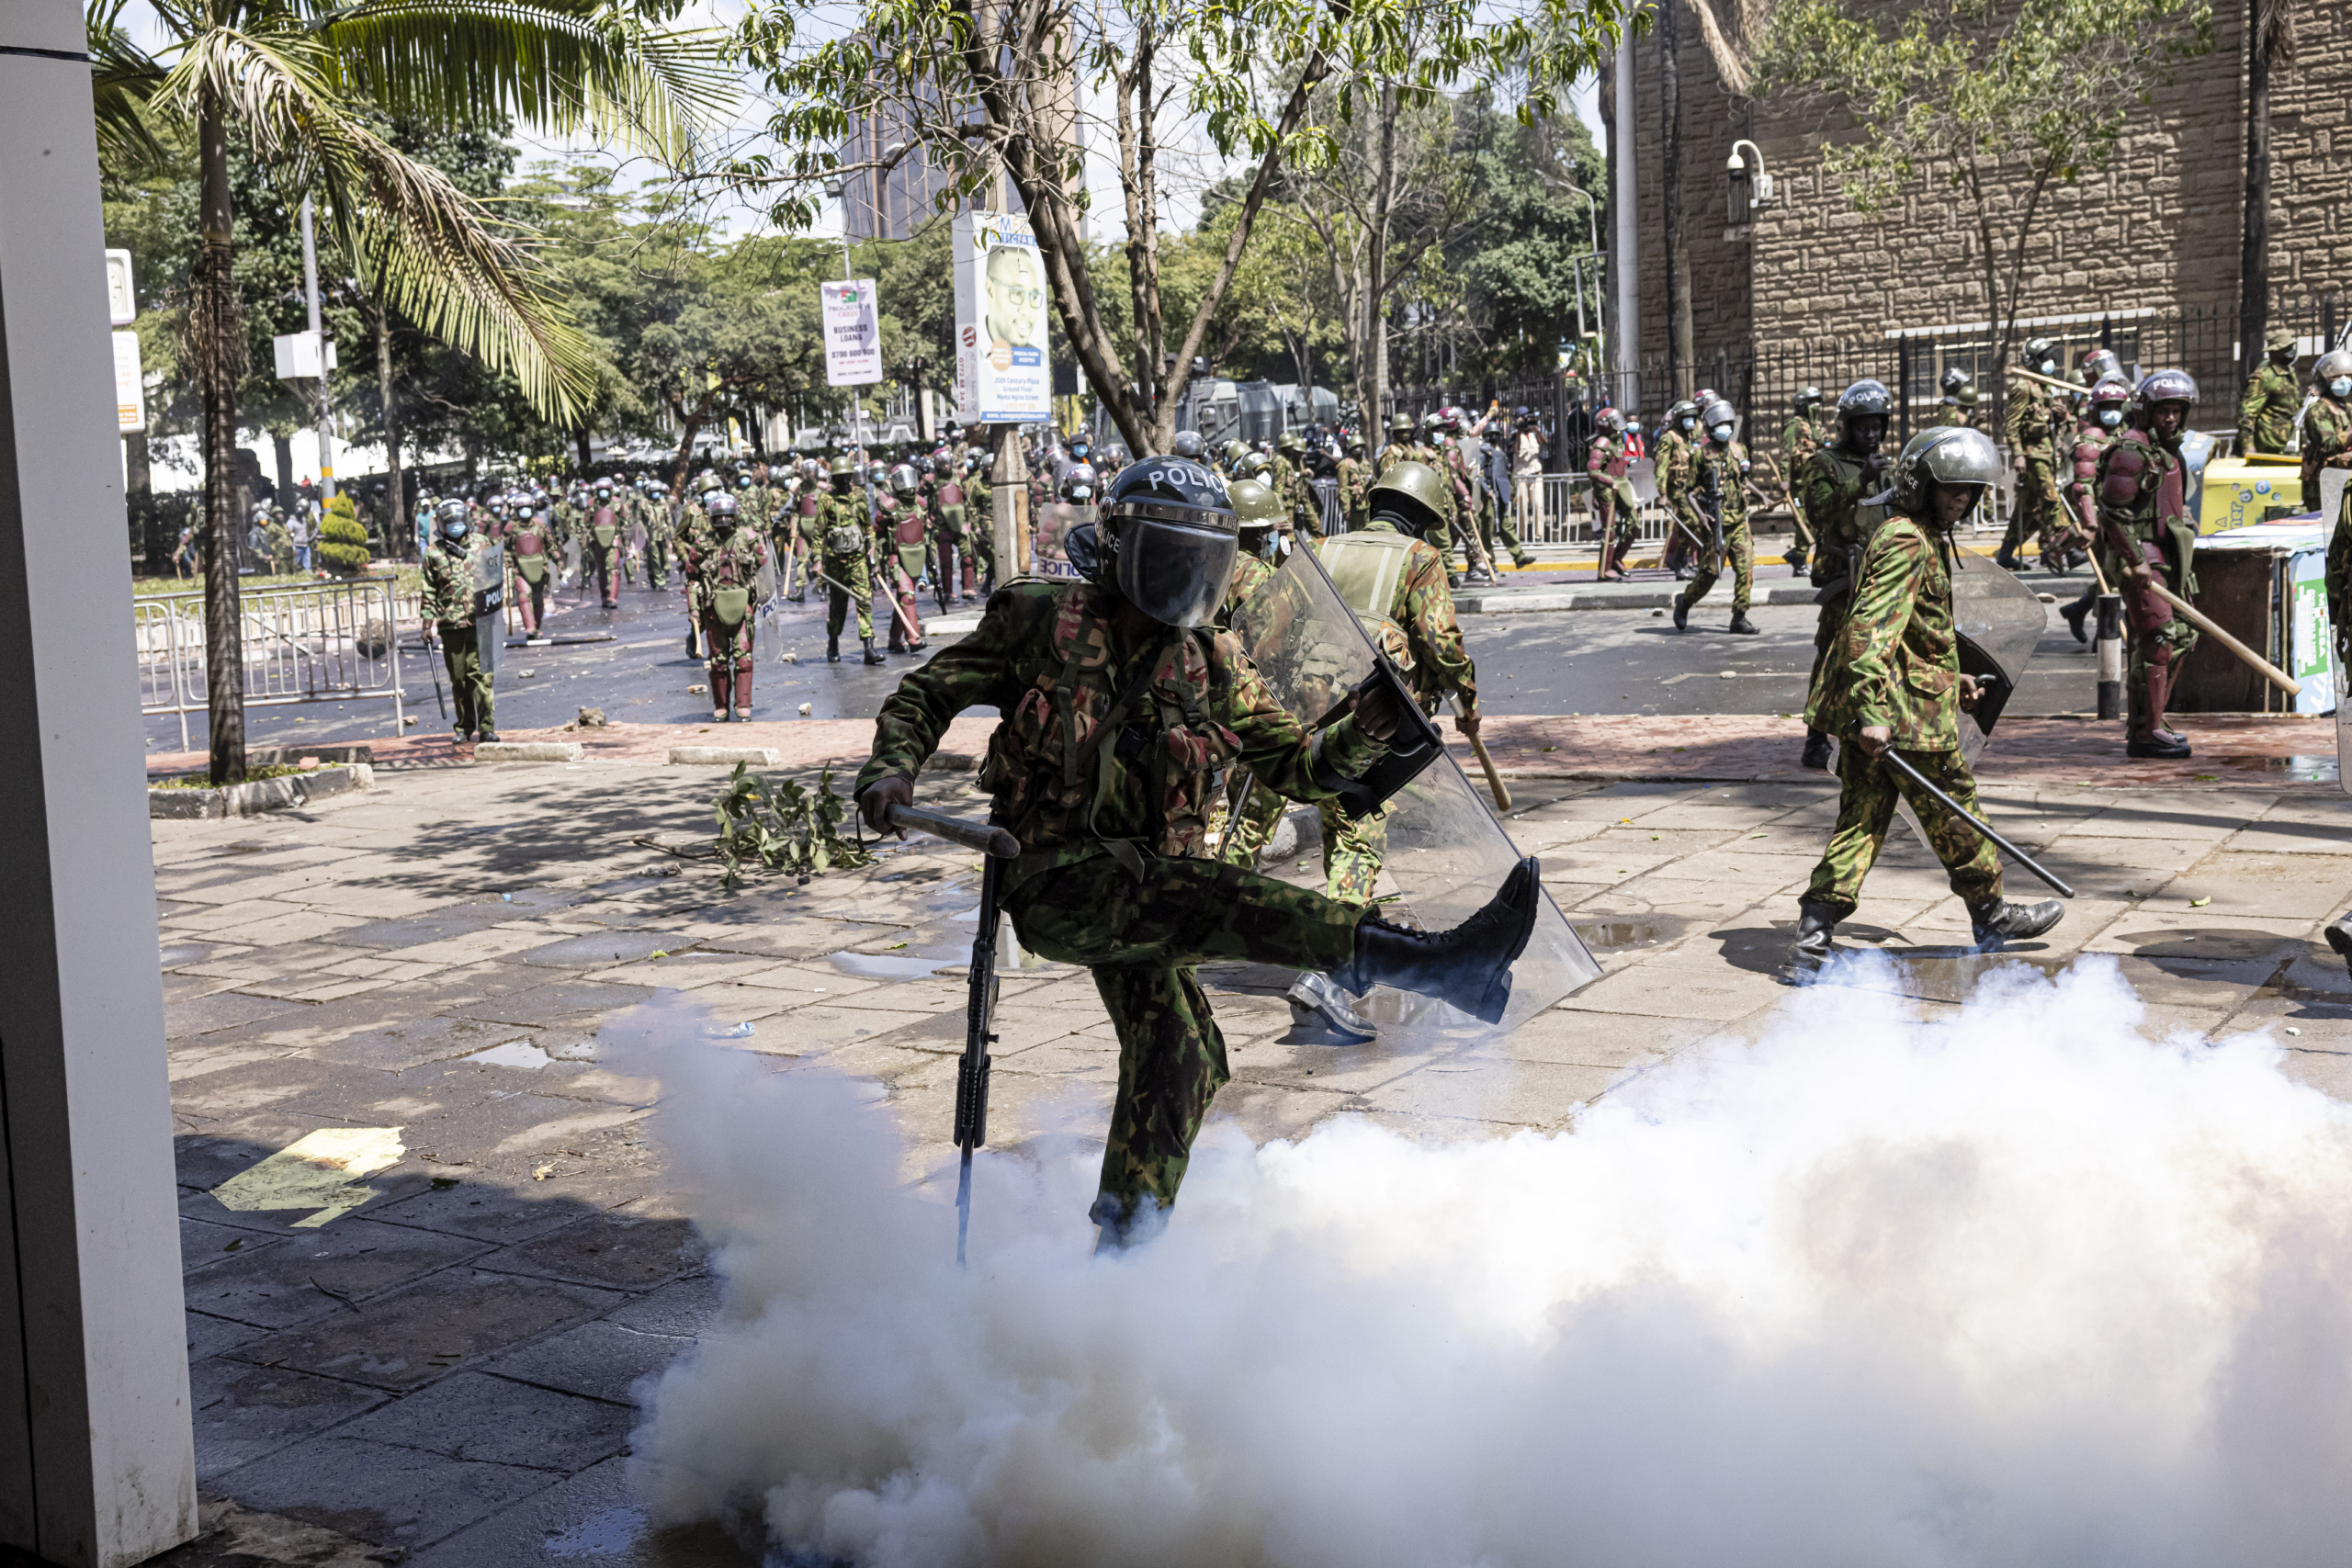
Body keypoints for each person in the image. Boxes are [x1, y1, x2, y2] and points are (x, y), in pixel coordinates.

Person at [852, 458, 1542, 1248]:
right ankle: (1435, 963)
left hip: (1148, 891)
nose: (1186, 577)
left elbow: (1300, 768)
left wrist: (1369, 728)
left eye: (1200, 561)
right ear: (1122, 549)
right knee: (1215, 895)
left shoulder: (1211, 662)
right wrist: (892, 768)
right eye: (1170, 556)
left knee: (1180, 1051)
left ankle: (1124, 1251)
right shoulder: (1042, 620)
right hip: (1056, 881)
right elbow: (927, 691)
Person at [1786, 427, 2063, 975]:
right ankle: (1992, 914)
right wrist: (1870, 714)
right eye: (1950, 489)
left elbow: (1918, 631)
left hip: (1900, 704)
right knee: (1958, 813)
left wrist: (1953, 675)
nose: (1960, 500)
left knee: (1861, 823)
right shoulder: (1907, 540)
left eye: (1969, 492)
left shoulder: (1919, 534)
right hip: (1904, 720)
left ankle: (1810, 943)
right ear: (1920, 485)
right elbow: (1868, 630)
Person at [2096, 369, 2204, 760]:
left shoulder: (2167, 452)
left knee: (2184, 635)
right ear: (2147, 412)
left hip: (2172, 558)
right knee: (2158, 639)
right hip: (2143, 559)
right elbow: (2111, 511)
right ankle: (2148, 730)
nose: (2171, 418)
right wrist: (2136, 561)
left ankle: (2151, 719)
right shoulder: (2131, 451)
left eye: (2177, 411)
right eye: (2164, 411)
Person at [1799, 378, 1894, 772]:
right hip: (1843, 574)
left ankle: (1868, 729)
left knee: (1876, 656)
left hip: (1877, 573)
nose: (1870, 435)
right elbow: (1818, 511)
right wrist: (1861, 482)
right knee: (1831, 657)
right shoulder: (1823, 464)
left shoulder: (1884, 465)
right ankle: (1815, 737)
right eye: (1862, 427)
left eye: (1876, 427)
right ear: (1845, 427)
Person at [2057, 377, 2135, 645]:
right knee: (2112, 579)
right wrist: (2090, 525)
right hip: (2104, 520)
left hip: (2126, 516)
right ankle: (2106, 641)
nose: (2111, 411)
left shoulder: (2126, 434)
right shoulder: (2091, 440)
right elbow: (2083, 487)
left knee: (2117, 574)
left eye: (2116, 405)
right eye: (2106, 406)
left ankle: (2077, 610)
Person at [1672, 398, 1759, 635]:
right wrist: (1701, 516)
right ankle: (1685, 601)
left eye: (1727, 424)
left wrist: (1762, 496)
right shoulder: (1701, 455)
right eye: (1720, 424)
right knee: (1708, 576)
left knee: (1746, 570)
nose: (1725, 428)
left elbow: (1745, 481)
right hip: (1716, 522)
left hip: (1739, 521)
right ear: (1711, 428)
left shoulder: (1739, 449)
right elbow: (1689, 492)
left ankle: (1739, 617)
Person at [421, 499, 497, 743]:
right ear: (442, 524)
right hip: (450, 624)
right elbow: (429, 590)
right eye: (449, 521)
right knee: (459, 679)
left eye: (458, 520)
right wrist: (426, 626)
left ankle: (487, 728)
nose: (455, 525)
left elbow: (494, 579)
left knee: (482, 676)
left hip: (481, 622)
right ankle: (464, 727)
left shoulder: (482, 544)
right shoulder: (433, 552)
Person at [691, 491, 764, 721]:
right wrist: (693, 608)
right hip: (714, 607)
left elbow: (765, 570)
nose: (723, 521)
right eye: (718, 516)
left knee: (744, 659)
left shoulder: (749, 538)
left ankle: (743, 704)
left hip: (744, 608)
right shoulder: (702, 543)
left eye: (727, 516)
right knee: (718, 661)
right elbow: (691, 577)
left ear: (735, 516)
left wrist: (764, 598)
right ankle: (721, 706)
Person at [1997, 336, 2065, 571]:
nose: (2050, 361)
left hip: (2047, 454)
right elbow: (2012, 425)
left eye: (2050, 356)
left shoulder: (2048, 385)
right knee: (2051, 499)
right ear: (2032, 361)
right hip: (2032, 456)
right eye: (2044, 358)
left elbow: (2052, 424)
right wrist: (2017, 454)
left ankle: (2006, 553)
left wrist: (2060, 415)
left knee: (2028, 510)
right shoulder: (2023, 387)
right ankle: (2068, 548)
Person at [819, 457, 884, 665]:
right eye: (840, 477)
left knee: (864, 601)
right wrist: (816, 560)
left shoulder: (859, 496)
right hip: (836, 563)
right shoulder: (826, 500)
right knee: (837, 606)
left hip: (858, 560)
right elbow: (818, 535)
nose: (844, 480)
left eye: (847, 476)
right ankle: (833, 642)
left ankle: (868, 647)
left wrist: (872, 549)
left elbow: (867, 527)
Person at [1588, 407, 1639, 580]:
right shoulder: (1602, 443)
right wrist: (1609, 482)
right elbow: (1593, 471)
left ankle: (1617, 559)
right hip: (1608, 490)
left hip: (1622, 484)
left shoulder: (1618, 440)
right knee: (1609, 530)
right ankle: (1605, 569)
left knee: (1635, 523)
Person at [2239, 327, 2303, 457]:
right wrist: (2248, 446)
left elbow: (2292, 406)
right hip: (2269, 447)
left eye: (2291, 347)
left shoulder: (2289, 373)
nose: (2290, 352)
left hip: (2289, 444)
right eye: (2286, 349)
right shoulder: (2264, 377)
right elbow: (2247, 414)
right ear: (2275, 352)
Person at [507, 502, 559, 638]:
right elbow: (505, 548)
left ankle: (537, 627)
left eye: (528, 508)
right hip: (519, 569)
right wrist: (507, 563)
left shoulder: (540, 525)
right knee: (524, 596)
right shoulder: (511, 528)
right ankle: (530, 628)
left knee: (537, 598)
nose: (525, 511)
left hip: (539, 568)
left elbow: (550, 545)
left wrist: (558, 560)